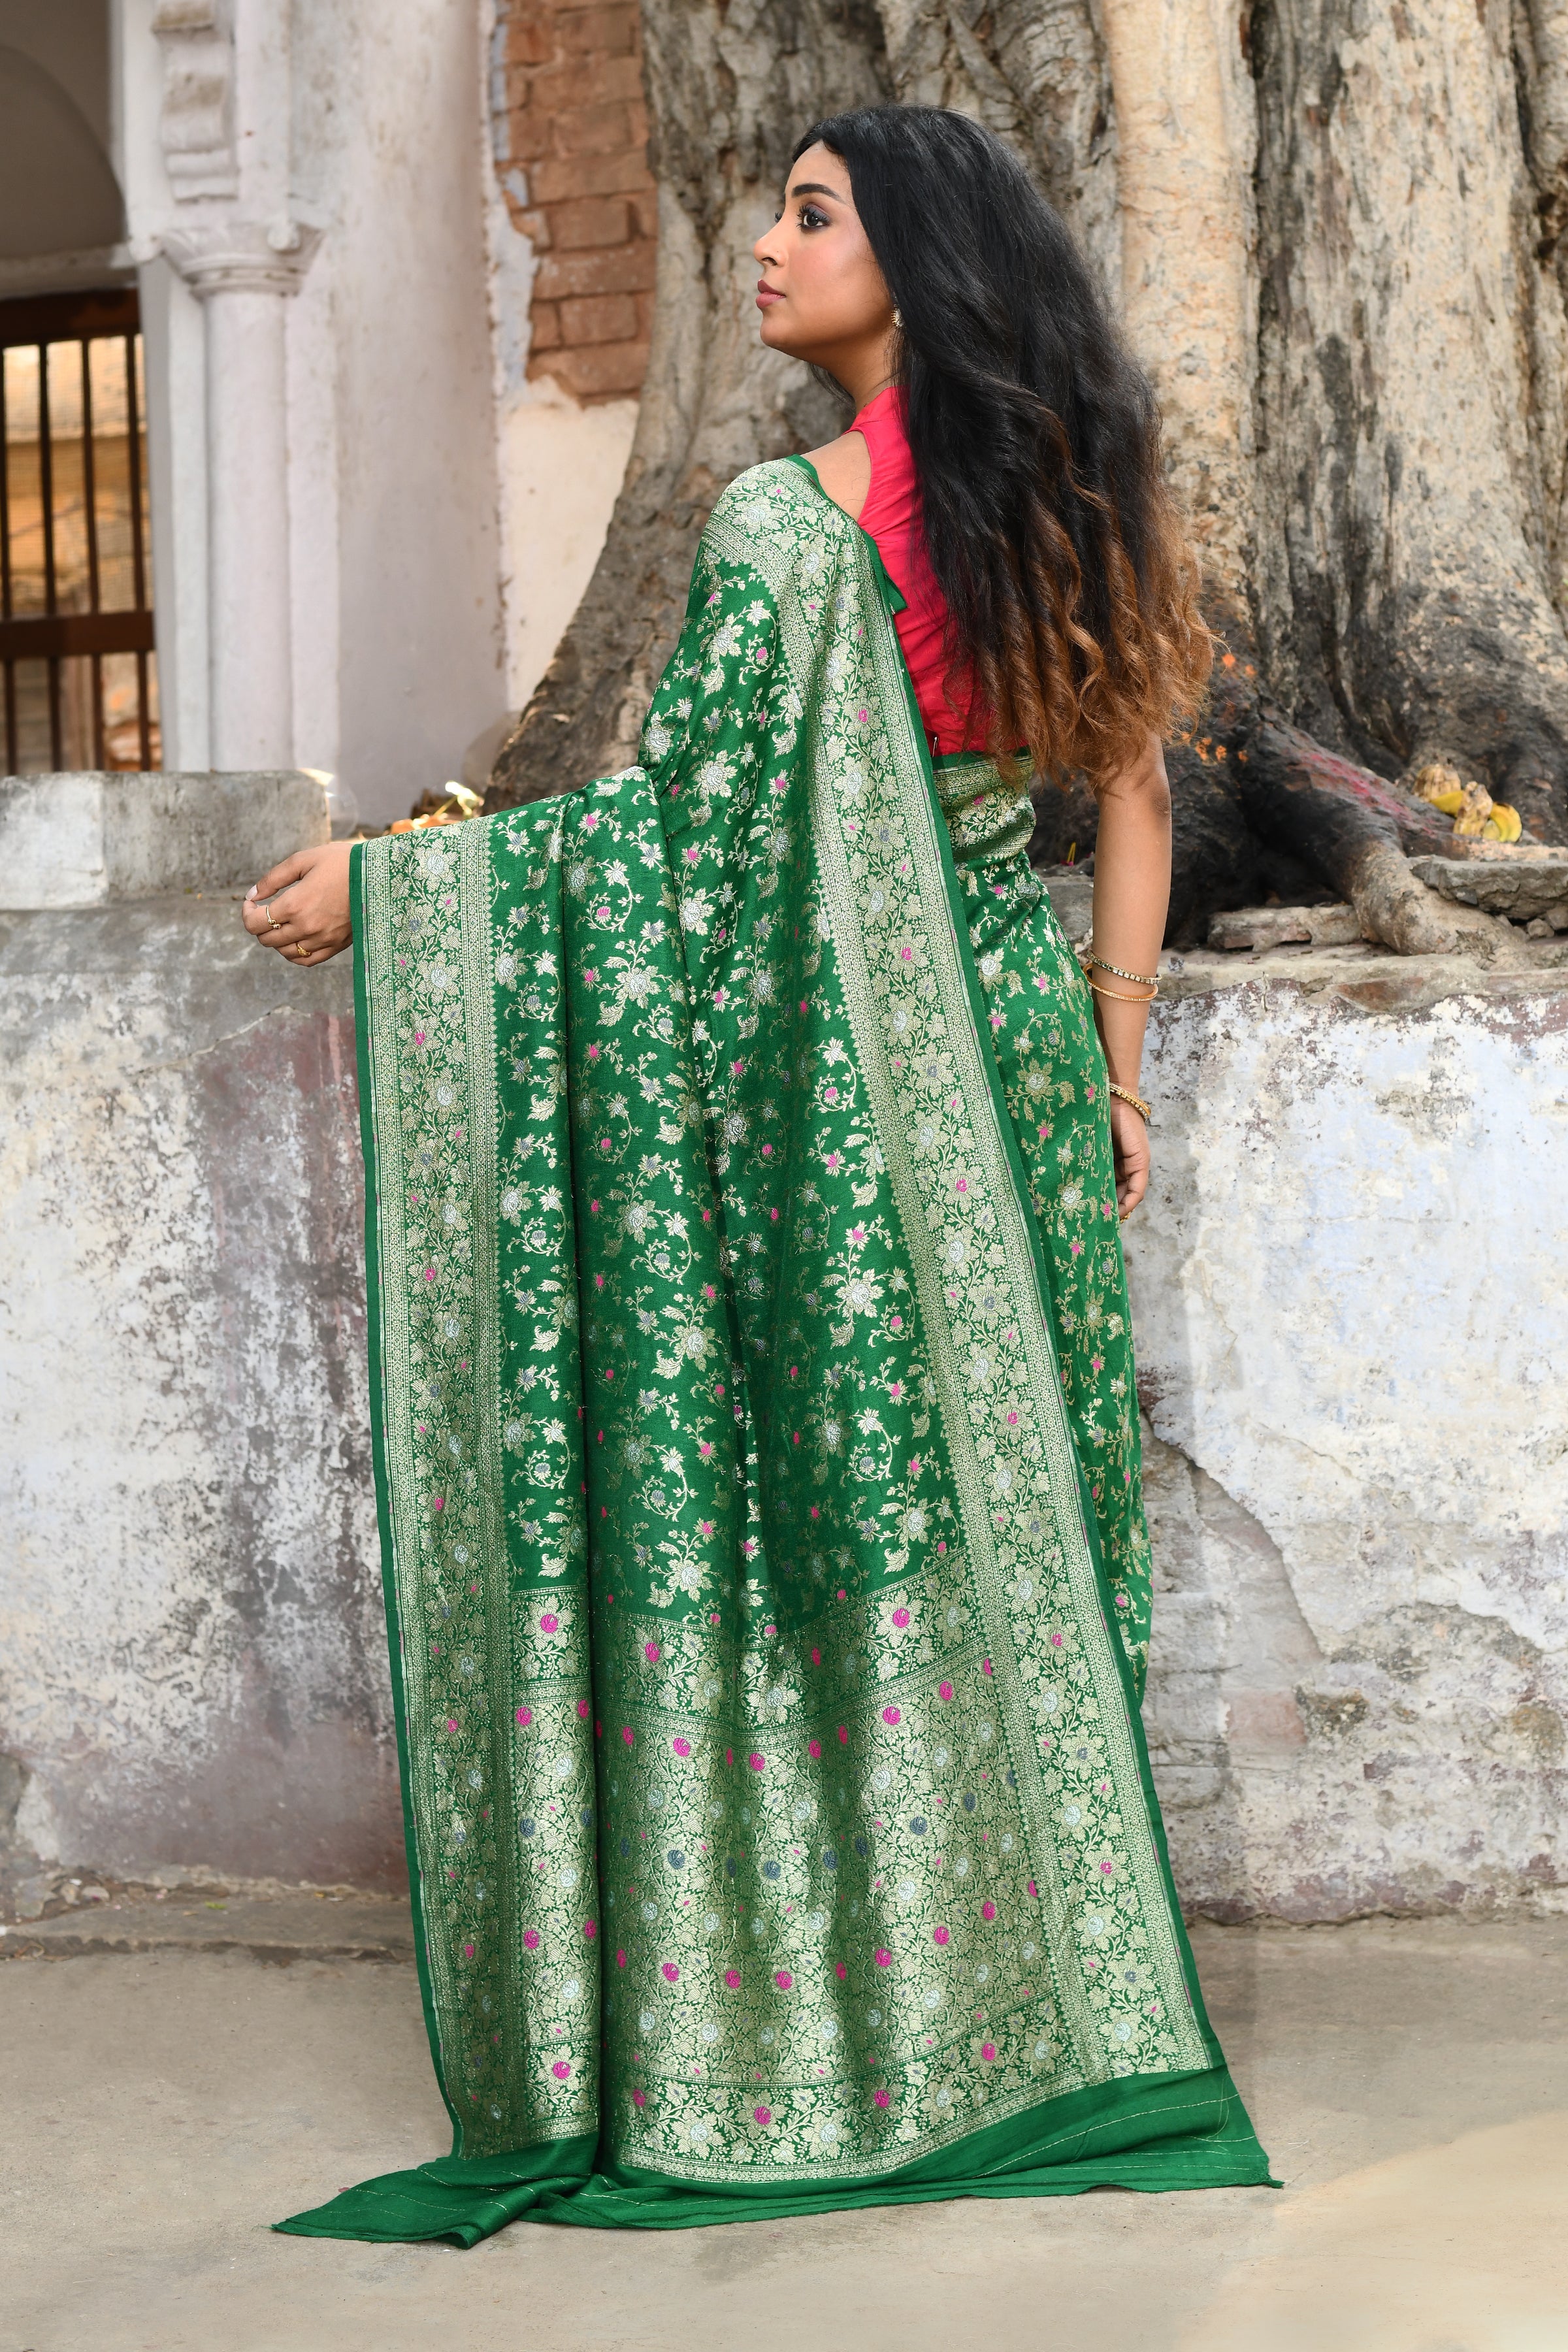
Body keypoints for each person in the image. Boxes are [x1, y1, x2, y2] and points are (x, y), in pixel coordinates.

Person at [255, 105, 1272, 2244]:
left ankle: (831, 2010)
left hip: (841, 1099)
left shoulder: (786, 528)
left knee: (825, 1509)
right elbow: (1133, 796)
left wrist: (401, 888)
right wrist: (1115, 1070)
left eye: (813, 212)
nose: (767, 243)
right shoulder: (1067, 502)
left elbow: (676, 846)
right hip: (1006, 1056)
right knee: (995, 1508)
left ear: (915, 253)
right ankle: (1045, 2008)